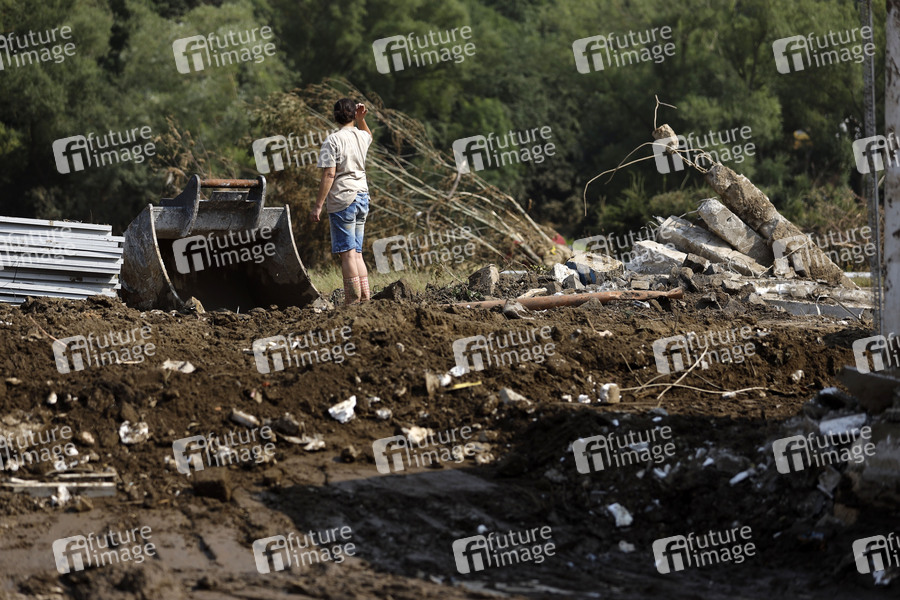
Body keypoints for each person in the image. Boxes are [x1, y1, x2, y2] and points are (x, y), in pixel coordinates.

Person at [310, 98, 373, 304]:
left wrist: (318, 205)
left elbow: (329, 174)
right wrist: (361, 120)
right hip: (362, 197)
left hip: (343, 199)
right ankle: (365, 298)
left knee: (347, 254)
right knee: (357, 253)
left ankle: (352, 300)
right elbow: (369, 135)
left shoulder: (333, 140)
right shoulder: (361, 136)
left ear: (335, 116)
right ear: (354, 115)